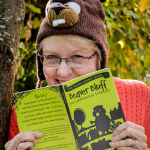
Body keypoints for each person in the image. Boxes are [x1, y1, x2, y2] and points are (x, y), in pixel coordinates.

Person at [5, 0, 150, 149]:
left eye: (78, 57)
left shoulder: (139, 96)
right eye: (51, 57)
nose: (62, 71)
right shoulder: (20, 114)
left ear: (99, 61)